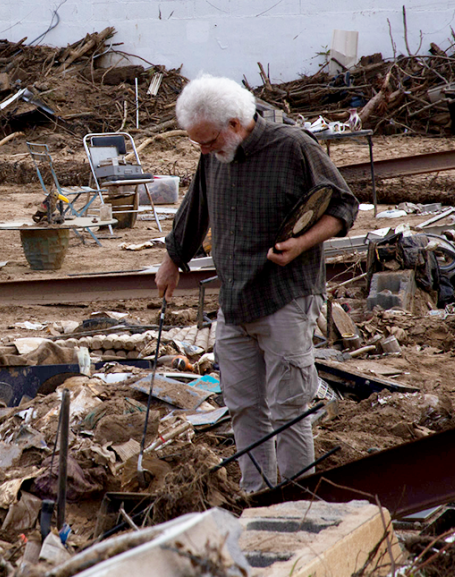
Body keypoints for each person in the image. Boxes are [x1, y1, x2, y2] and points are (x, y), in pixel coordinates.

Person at [156, 75, 359, 493]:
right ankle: (258, 495)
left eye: (209, 141)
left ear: (234, 124)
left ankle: (299, 497)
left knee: (287, 407)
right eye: (198, 144)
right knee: (244, 408)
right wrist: (172, 260)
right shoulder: (213, 154)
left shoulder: (293, 147)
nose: (204, 151)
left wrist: (301, 243)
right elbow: (197, 207)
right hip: (235, 302)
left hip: (284, 297)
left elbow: (343, 205)